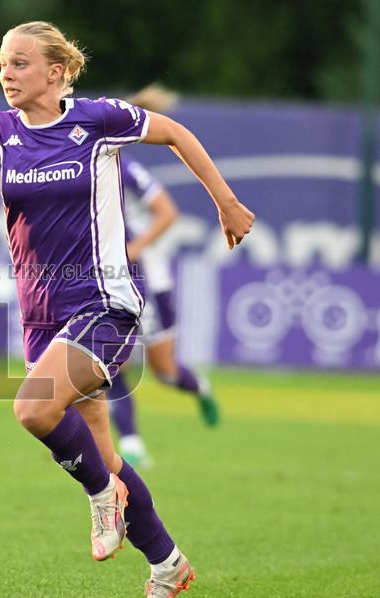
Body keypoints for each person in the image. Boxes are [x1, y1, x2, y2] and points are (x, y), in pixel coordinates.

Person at [0, 21, 253, 598]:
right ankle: (167, 564)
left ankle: (102, 495)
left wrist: (226, 201)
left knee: (33, 407)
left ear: (56, 72)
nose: (7, 73)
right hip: (40, 317)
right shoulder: (0, 133)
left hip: (104, 303)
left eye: (21, 63)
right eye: (3, 63)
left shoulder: (97, 120)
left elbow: (177, 134)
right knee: (106, 455)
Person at [106, 85, 221, 469]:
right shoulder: (82, 171)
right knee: (110, 362)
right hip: (109, 278)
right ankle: (132, 443)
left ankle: (199, 387)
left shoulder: (127, 170)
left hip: (149, 281)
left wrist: (135, 248)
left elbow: (167, 212)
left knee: (165, 372)